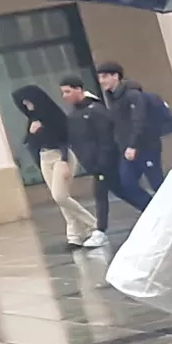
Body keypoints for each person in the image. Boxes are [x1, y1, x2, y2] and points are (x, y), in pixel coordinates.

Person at [16, 84, 101, 248]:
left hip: (61, 155)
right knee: (62, 199)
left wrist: (63, 160)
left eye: (29, 102)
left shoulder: (53, 115)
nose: (28, 106)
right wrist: (32, 132)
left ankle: (92, 223)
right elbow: (29, 143)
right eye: (24, 104)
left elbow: (64, 138)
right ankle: (74, 236)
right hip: (44, 157)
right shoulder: (33, 119)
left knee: (60, 195)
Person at [94, 62, 172, 210]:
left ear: (116, 76)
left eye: (105, 76)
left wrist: (133, 145)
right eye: (100, 77)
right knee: (127, 183)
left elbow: (139, 121)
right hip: (127, 150)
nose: (101, 81)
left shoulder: (133, 95)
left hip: (145, 147)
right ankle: (154, 209)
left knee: (156, 182)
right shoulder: (113, 98)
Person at [54, 76, 116, 249]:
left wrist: (103, 160)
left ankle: (100, 230)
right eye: (63, 92)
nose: (65, 96)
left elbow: (106, 138)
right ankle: (100, 230)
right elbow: (72, 138)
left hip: (104, 163)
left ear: (79, 89)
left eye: (68, 91)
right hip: (94, 164)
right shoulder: (74, 115)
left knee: (103, 195)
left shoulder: (96, 110)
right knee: (118, 192)